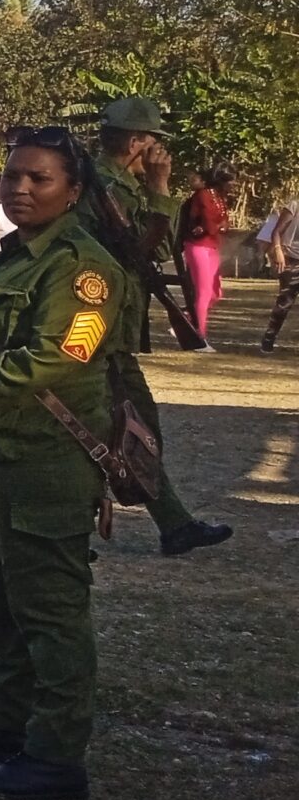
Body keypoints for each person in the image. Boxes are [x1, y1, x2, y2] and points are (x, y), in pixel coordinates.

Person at [0, 127, 131, 800]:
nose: (19, 188)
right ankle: (7, 721)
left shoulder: (84, 268)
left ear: (74, 190)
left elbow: (60, 357)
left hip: (44, 459)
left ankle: (54, 753)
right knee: (3, 605)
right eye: (12, 176)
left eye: (39, 178)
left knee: (50, 611)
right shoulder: (5, 257)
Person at [93, 98, 230, 551]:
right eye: (153, 142)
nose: (159, 151)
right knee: (125, 427)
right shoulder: (100, 187)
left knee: (124, 427)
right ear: (135, 142)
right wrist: (160, 186)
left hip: (114, 332)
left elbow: (154, 249)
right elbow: (141, 247)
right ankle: (171, 525)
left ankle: (174, 525)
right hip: (98, 333)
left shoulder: (116, 185)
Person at [177, 167, 230, 342]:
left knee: (216, 292)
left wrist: (216, 227)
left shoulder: (220, 198)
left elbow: (224, 220)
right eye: (230, 181)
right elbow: (208, 220)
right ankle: (200, 335)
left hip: (212, 245)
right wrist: (214, 227)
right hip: (197, 245)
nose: (233, 184)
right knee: (204, 291)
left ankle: (188, 316)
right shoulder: (203, 195)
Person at [259, 197, 299, 353]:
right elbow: (276, 231)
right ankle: (269, 337)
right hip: (291, 259)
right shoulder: (294, 205)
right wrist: (277, 250)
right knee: (285, 301)